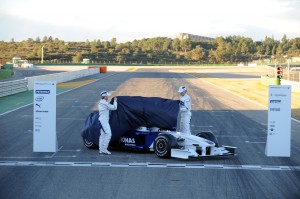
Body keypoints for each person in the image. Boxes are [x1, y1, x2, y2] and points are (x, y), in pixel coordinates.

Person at [98, 91, 117, 155]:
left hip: (102, 120)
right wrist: (115, 101)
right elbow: (114, 107)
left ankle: (101, 149)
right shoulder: (104, 103)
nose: (108, 97)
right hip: (104, 121)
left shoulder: (101, 102)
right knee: (109, 134)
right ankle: (104, 149)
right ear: (105, 96)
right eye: (107, 96)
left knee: (102, 135)